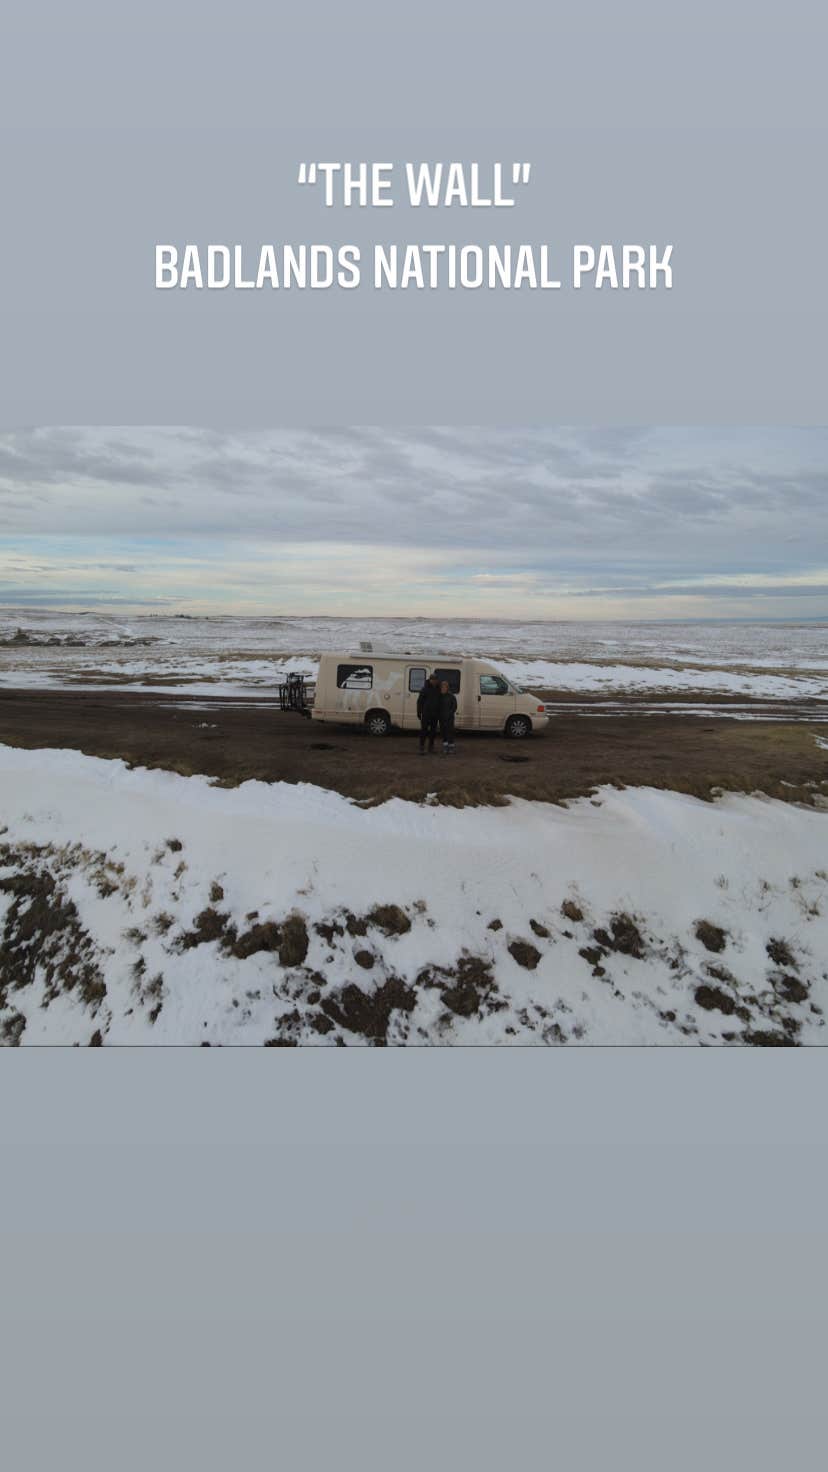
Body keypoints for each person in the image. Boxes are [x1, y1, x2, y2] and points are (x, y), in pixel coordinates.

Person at [416, 672, 441, 754]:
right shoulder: (425, 689)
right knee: (424, 731)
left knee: (433, 732)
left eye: (435, 679)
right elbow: (419, 702)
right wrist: (419, 712)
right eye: (432, 679)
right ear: (430, 680)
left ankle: (431, 747)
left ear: (437, 680)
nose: (434, 681)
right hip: (426, 714)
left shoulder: (439, 689)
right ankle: (421, 747)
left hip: (435, 714)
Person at [438, 679, 457, 755]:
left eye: (445, 687)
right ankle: (445, 747)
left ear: (447, 688)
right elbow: (437, 706)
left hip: (450, 717)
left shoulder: (451, 696)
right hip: (442, 717)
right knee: (443, 732)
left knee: (450, 732)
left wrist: (450, 713)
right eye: (442, 687)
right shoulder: (439, 696)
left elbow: (454, 706)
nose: (443, 688)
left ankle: (451, 747)